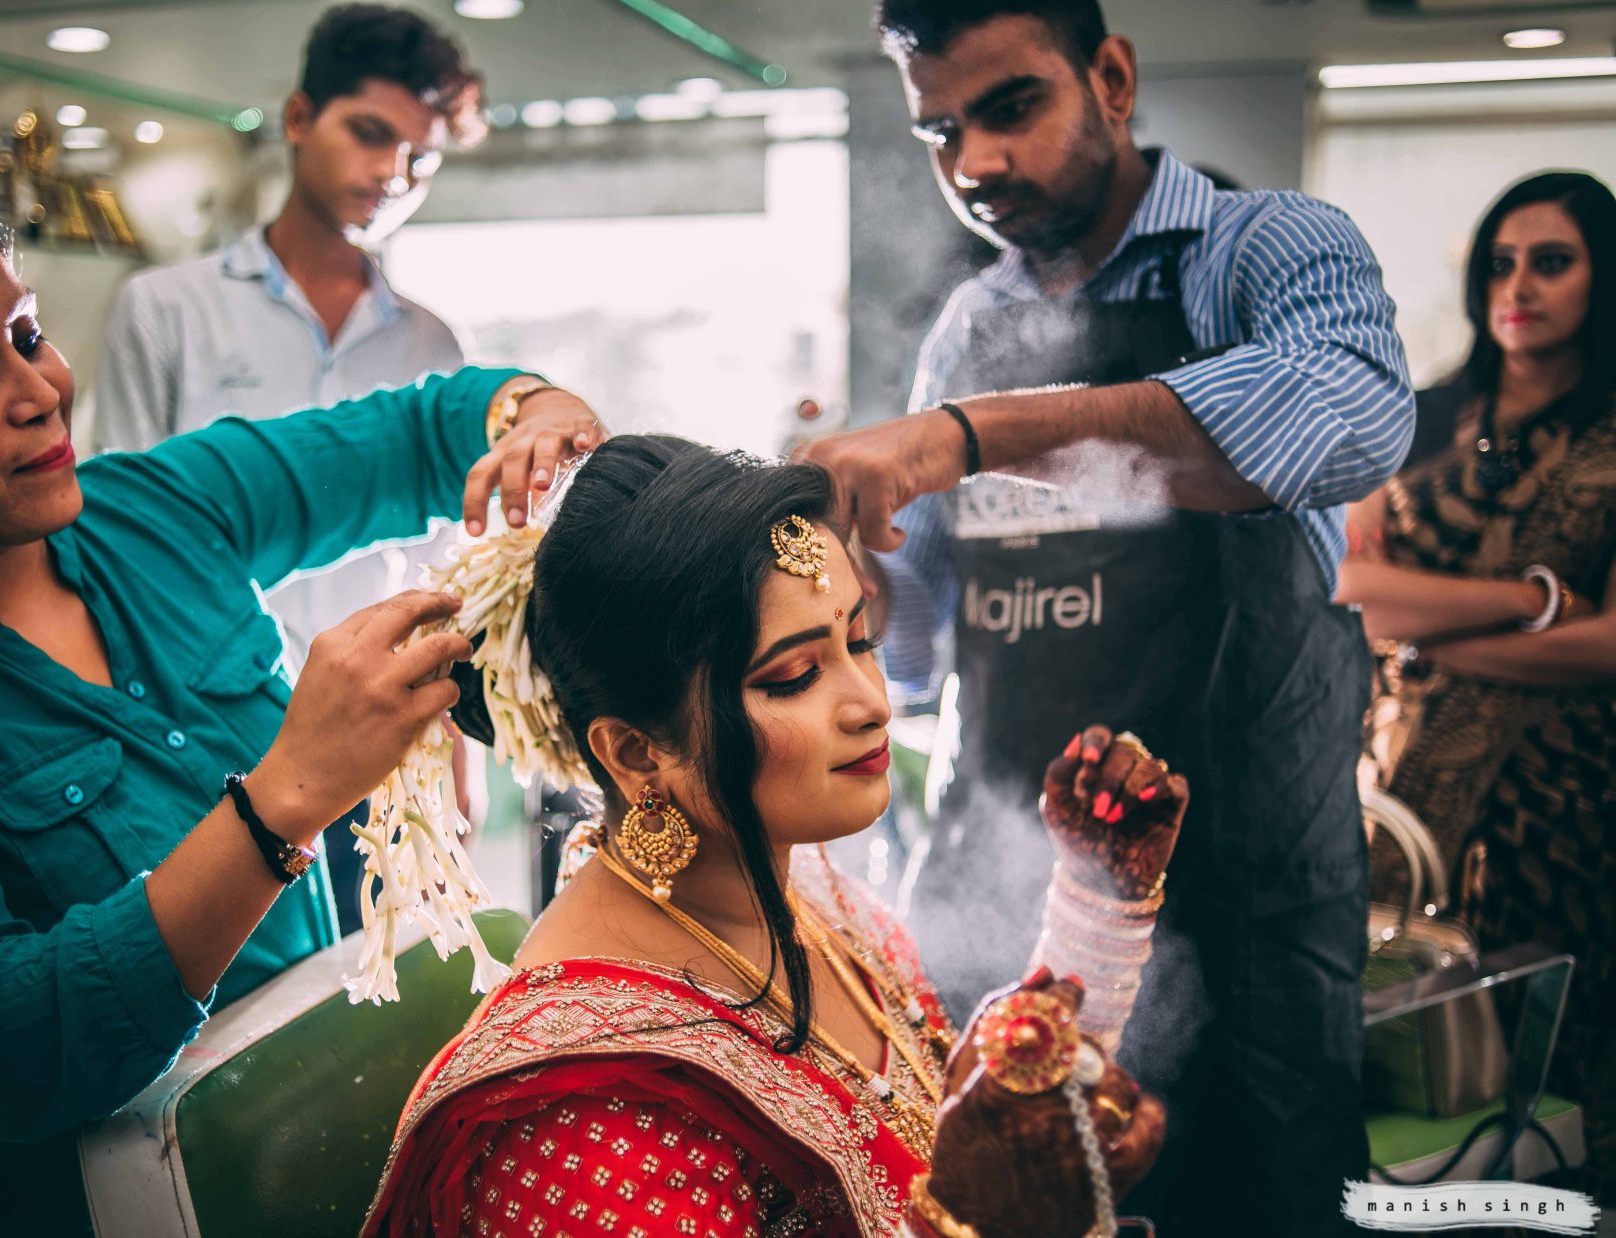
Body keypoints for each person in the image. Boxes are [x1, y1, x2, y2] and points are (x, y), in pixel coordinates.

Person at [0, 162, 603, 1238]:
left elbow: (427, 428)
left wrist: (533, 414)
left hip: (283, 1127)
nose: (40, 391)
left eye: (26, 337)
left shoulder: (152, 509)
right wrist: (286, 795)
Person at [795, 1, 1416, 1232]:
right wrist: (841, 581)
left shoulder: (1265, 252)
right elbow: (919, 647)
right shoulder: (968, 330)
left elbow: (1352, 414)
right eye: (940, 130)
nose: (974, 164)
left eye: (1010, 106)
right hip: (1006, 905)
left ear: (1113, 79)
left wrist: (978, 436)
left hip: (1246, 906)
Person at [362, 436, 1188, 1237]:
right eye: (793, 676)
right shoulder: (576, 1114)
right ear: (636, 753)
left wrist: (1096, 900)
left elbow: (981, 1149)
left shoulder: (812, 898)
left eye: (856, 638)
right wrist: (967, 1222)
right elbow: (974, 1195)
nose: (868, 700)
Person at [94, 3, 491, 932]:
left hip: (386, 731)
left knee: (371, 1008)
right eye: (370, 133)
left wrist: (457, 759)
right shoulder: (166, 309)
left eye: (421, 158)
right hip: (211, 740)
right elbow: (115, 544)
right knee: (230, 1011)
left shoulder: (434, 341)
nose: (392, 173)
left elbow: (445, 565)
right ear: (299, 117)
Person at [1338, 171, 1616, 1199]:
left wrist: (1435, 634)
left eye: (1552, 262)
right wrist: (1529, 598)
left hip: (1565, 805)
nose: (1519, 286)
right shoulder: (1417, 420)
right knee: (1407, 1057)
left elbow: (1608, 649)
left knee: (1548, 1065)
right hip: (1399, 800)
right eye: (1500, 263)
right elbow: (1349, 590)